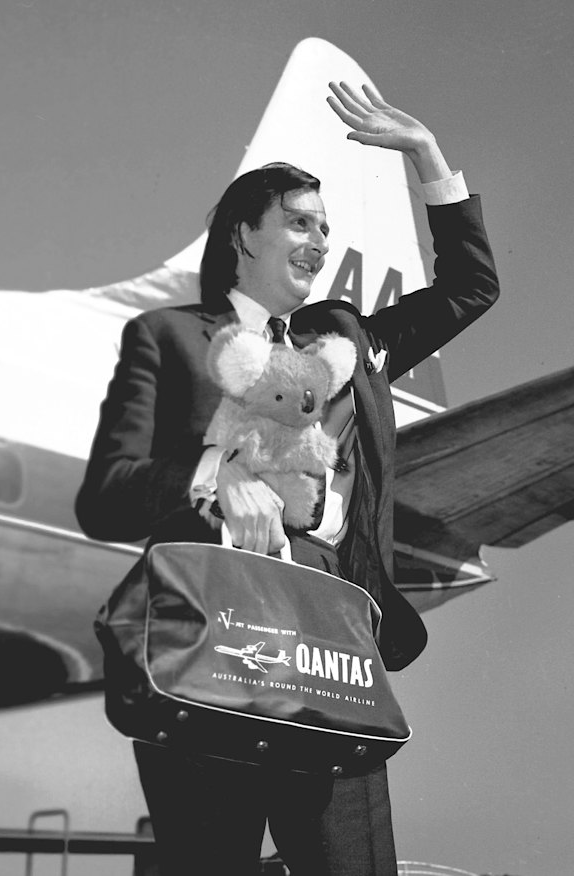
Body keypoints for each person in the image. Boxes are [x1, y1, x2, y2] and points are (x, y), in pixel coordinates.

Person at [76, 81, 499, 875]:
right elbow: (108, 493)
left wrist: (425, 155)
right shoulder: (167, 338)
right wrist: (214, 471)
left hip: (330, 643)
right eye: (299, 224)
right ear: (243, 235)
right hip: (207, 641)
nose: (318, 241)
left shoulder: (346, 340)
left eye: (326, 229)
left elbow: (472, 289)